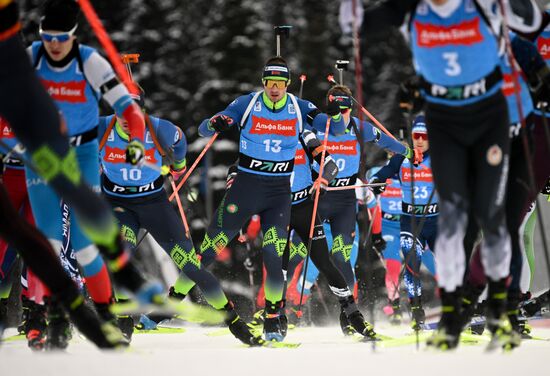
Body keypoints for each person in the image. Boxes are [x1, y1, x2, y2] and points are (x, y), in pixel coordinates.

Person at [361, 0, 544, 350]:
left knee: (502, 227)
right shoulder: (428, 21)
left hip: (503, 141)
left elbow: (526, 35)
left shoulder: (492, 25)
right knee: (457, 232)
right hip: (457, 145)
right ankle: (451, 311)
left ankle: (503, 310)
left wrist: (539, 74)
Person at [0, 0, 162, 321]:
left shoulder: (90, 62)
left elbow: (129, 110)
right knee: (48, 244)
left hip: (81, 156)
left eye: (62, 38)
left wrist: (135, 143)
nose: (55, 45)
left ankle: (107, 312)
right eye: (48, 37)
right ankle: (43, 316)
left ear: (74, 35)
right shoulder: (31, 57)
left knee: (86, 246)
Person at [195, 55, 346, 342]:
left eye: (279, 83)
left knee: (274, 257)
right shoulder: (247, 103)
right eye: (270, 83)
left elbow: (334, 128)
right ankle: (168, 305)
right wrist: (216, 122)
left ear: (287, 84)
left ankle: (274, 317)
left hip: (279, 193)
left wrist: (336, 113)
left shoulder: (299, 108)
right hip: (247, 187)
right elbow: (204, 128)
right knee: (209, 250)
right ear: (263, 83)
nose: (274, 88)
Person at [98, 94, 263, 346]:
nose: (127, 121)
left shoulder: (159, 129)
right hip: (119, 207)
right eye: (121, 114)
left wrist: (178, 166)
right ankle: (123, 324)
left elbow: (180, 140)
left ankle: (235, 323)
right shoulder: (101, 128)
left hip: (153, 205)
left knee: (191, 266)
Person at [370, 115, 437, 330]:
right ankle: (415, 310)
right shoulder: (401, 159)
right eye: (416, 136)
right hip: (407, 221)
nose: (419, 140)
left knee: (446, 264)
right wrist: (376, 183)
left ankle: (463, 308)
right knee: (410, 263)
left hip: (435, 220)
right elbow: (382, 174)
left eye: (424, 137)